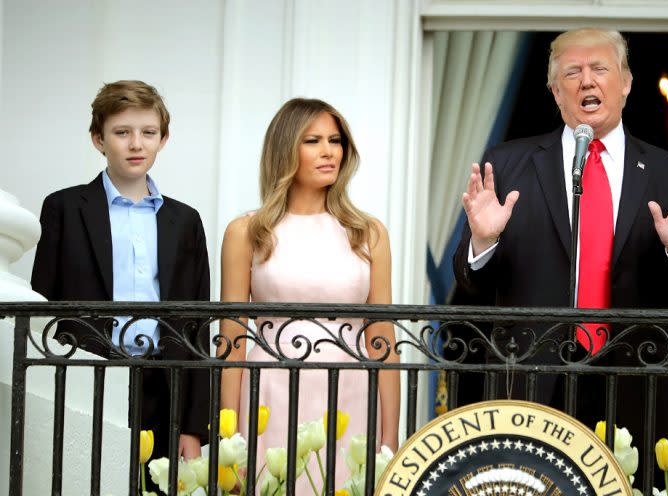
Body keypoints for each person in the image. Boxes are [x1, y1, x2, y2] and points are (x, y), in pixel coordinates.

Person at [452, 26, 668, 451]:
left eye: (600, 69)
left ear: (626, 83)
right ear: (556, 91)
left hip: (631, 381)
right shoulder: (507, 164)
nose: (587, 80)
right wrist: (483, 242)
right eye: (572, 72)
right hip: (532, 382)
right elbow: (470, 282)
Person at [31, 81, 210, 480]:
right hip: (87, 379)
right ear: (98, 139)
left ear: (163, 139)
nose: (136, 144)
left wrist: (194, 426)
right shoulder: (63, 207)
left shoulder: (185, 221)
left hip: (164, 387)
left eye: (148, 133)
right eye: (122, 132)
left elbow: (198, 324)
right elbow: (41, 310)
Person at [219, 98, 400, 492]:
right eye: (313, 140)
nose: (328, 151)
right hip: (270, 392)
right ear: (286, 149)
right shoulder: (246, 232)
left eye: (335, 140)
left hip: (352, 391)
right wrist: (227, 443)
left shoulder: (369, 233)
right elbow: (231, 339)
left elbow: (383, 339)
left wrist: (390, 441)